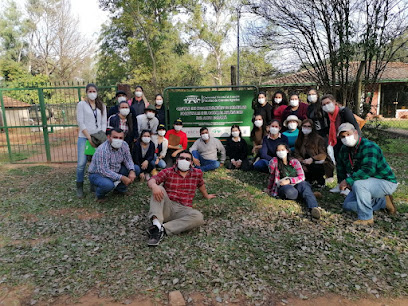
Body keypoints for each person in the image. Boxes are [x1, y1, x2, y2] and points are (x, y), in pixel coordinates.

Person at [146, 150, 216, 246]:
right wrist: (154, 186)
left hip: (184, 209)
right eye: (181, 158)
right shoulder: (168, 171)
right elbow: (152, 180)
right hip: (167, 206)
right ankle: (156, 224)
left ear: (191, 162)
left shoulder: (197, 173)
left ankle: (161, 229)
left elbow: (201, 185)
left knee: (198, 217)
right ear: (177, 160)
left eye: (187, 159)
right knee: (159, 188)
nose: (184, 160)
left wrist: (206, 195)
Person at [336, 123, 398, 225]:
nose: (346, 138)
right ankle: (383, 201)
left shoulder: (369, 146)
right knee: (348, 206)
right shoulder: (344, 149)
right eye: (343, 136)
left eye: (348, 134)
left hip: (385, 182)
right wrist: (342, 183)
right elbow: (340, 168)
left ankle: (366, 217)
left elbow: (368, 170)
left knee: (359, 184)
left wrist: (348, 181)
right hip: (364, 181)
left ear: (356, 133)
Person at [267, 144, 322, 219]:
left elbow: (301, 176)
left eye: (282, 150)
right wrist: (269, 188)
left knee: (304, 185)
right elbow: (272, 177)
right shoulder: (274, 162)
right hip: (284, 186)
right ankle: (308, 195)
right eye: (278, 150)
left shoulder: (295, 162)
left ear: (287, 150)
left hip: (297, 183)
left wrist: (289, 180)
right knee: (291, 192)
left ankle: (313, 208)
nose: (280, 152)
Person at [76, 83, 107, 198]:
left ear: (97, 92)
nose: (92, 93)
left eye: (94, 91)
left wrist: (101, 135)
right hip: (84, 137)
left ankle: (93, 184)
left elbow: (104, 122)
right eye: (90, 91)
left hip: (98, 137)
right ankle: (79, 186)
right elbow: (81, 122)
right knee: (81, 163)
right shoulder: (81, 104)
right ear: (86, 92)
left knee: (96, 163)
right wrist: (89, 138)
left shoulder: (101, 106)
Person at [88, 128, 136, 201]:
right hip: (98, 174)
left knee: (136, 169)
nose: (118, 140)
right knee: (108, 185)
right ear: (108, 137)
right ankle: (99, 195)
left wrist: (132, 170)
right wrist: (122, 177)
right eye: (115, 137)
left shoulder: (124, 145)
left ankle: (120, 190)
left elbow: (128, 159)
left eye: (120, 138)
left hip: (115, 169)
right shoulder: (102, 150)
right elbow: (104, 171)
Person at [294, 119, 334, 187]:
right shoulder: (299, 139)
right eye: (304, 126)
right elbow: (296, 153)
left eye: (309, 126)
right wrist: (301, 163)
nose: (306, 128)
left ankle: (320, 182)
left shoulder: (319, 139)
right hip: (304, 163)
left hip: (319, 163)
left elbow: (323, 155)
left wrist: (312, 159)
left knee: (315, 167)